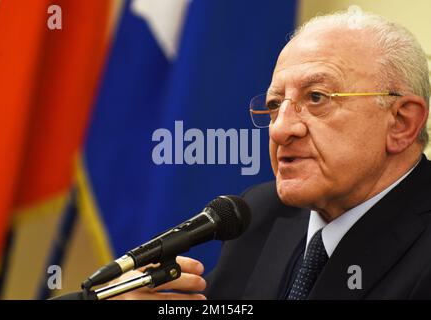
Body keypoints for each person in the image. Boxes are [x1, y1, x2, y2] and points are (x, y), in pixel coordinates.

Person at [113, 10, 431, 299]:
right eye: (275, 104)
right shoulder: (258, 213)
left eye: (317, 97)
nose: (280, 130)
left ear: (401, 123)